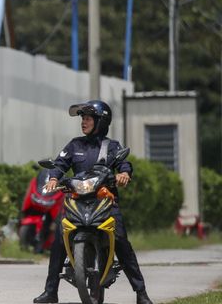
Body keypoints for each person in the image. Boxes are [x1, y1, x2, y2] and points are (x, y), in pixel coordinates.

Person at [33, 100, 153, 304]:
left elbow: (123, 163)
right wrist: (53, 178)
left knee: (121, 241)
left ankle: (141, 293)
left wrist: (124, 173)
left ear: (101, 122)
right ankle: (50, 291)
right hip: (76, 201)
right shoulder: (74, 145)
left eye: (88, 119)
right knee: (59, 239)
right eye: (83, 119)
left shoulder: (111, 146)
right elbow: (60, 164)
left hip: (105, 202)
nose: (84, 122)